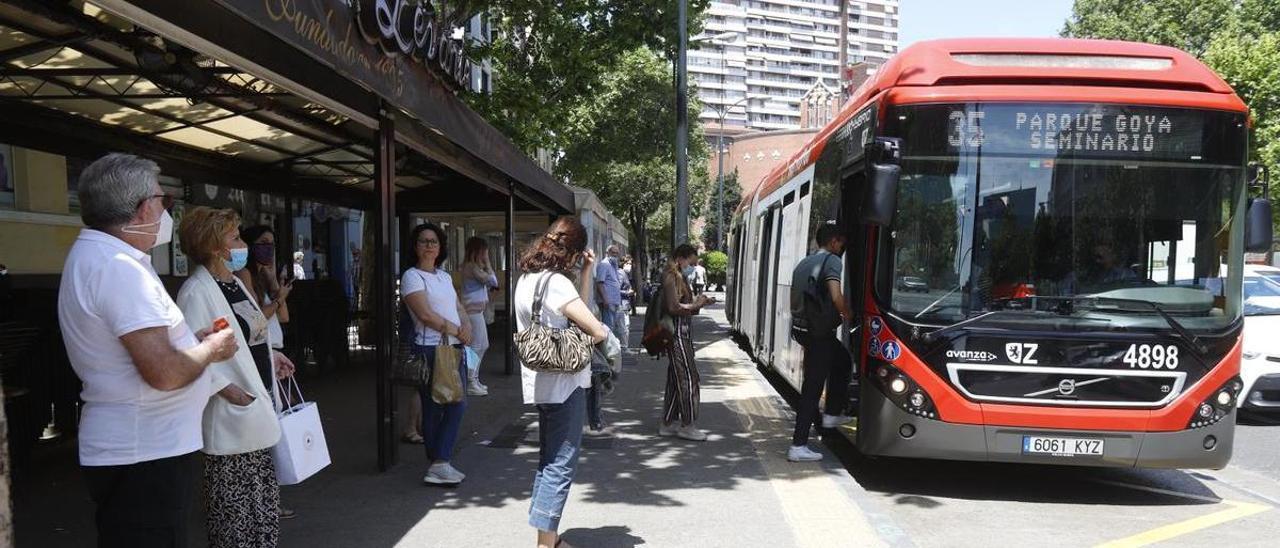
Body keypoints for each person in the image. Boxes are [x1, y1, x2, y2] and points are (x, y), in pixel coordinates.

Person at [57, 153, 238, 548]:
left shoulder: (101, 258)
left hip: (140, 448)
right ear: (142, 210)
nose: (165, 210)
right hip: (145, 453)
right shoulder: (118, 267)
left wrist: (193, 342)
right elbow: (164, 373)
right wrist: (210, 348)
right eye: (162, 200)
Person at [175, 207, 296, 547]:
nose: (243, 244)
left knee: (262, 510)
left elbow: (251, 336)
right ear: (215, 246)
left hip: (256, 406)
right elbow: (192, 353)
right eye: (236, 238)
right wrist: (227, 389)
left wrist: (272, 355)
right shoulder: (197, 291)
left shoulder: (234, 284)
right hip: (232, 412)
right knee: (235, 517)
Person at [516, 217, 609, 548]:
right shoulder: (557, 284)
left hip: (540, 382)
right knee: (560, 466)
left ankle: (548, 539)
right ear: (571, 252)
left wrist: (585, 274)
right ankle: (545, 544)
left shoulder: (527, 279)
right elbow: (594, 329)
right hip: (565, 385)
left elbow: (573, 310)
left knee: (547, 461)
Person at [234, 225, 297, 520]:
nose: (268, 249)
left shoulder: (264, 274)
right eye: (262, 243)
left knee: (275, 420)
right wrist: (278, 297)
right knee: (267, 423)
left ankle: (269, 495)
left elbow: (283, 316)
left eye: (272, 243)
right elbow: (257, 320)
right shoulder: (244, 275)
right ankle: (263, 498)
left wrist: (274, 285)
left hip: (274, 348)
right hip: (260, 352)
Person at [402, 222, 473, 485]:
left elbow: (457, 305)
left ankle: (438, 461)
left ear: (441, 246)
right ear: (415, 246)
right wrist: (456, 328)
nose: (429, 245)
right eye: (424, 241)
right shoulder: (412, 277)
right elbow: (424, 315)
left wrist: (465, 326)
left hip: (453, 347)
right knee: (436, 407)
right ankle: (440, 462)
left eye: (434, 241)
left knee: (456, 402)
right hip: (430, 349)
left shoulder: (443, 276)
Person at [787, 223, 853, 462]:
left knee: (842, 361)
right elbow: (835, 295)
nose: (842, 248)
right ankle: (798, 445)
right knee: (813, 388)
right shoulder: (832, 261)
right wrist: (847, 314)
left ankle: (832, 414)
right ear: (834, 241)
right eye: (841, 243)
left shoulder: (804, 262)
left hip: (803, 329)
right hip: (819, 334)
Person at [659, 244, 714, 441]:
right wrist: (697, 304)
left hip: (682, 333)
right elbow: (674, 307)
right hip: (677, 335)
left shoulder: (677, 275)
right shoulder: (671, 275)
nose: (692, 266)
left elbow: (683, 305)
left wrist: (699, 304)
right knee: (689, 378)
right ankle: (687, 424)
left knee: (676, 379)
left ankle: (668, 422)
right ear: (681, 258)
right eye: (691, 262)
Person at [587, 245, 624, 434]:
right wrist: (607, 300)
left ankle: (595, 419)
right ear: (609, 253)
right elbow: (599, 284)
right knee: (598, 368)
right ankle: (595, 420)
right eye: (615, 253)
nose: (617, 256)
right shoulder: (603, 265)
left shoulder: (612, 266)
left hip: (613, 303)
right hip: (606, 306)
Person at [460, 237, 498, 396]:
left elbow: (493, 281)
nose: (485, 254)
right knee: (477, 345)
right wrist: (488, 262)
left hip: (476, 312)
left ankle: (473, 379)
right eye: (483, 250)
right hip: (472, 313)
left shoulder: (473, 266)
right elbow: (493, 281)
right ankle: (470, 380)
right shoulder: (471, 267)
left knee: (481, 345)